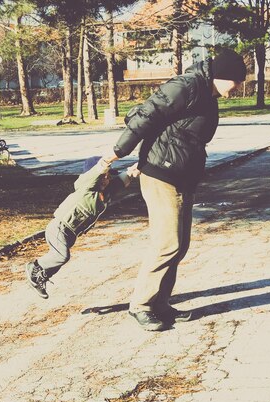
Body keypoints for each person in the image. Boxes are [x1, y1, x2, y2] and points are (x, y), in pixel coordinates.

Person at [102, 49, 247, 331]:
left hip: (182, 177)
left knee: (180, 246)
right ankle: (141, 305)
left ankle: (160, 303)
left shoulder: (207, 94)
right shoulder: (187, 86)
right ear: (223, 76)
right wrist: (117, 152)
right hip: (161, 174)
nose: (239, 87)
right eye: (237, 81)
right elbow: (146, 114)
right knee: (167, 243)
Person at [25, 156, 140, 299]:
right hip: (59, 227)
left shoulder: (105, 191)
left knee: (59, 261)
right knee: (61, 256)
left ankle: (39, 277)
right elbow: (96, 172)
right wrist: (108, 160)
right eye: (103, 176)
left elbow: (124, 178)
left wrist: (137, 167)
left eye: (108, 177)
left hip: (70, 234)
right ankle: (35, 267)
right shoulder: (85, 185)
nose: (106, 179)